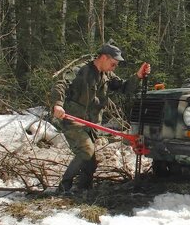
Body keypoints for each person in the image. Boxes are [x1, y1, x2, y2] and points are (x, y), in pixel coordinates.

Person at [51, 41, 150, 195]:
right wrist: (58, 105)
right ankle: (64, 188)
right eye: (113, 63)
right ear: (104, 57)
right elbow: (60, 84)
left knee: (90, 164)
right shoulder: (81, 70)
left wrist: (137, 76)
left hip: (91, 124)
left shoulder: (107, 75)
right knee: (86, 150)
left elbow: (124, 87)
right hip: (74, 121)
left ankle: (83, 190)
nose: (114, 67)